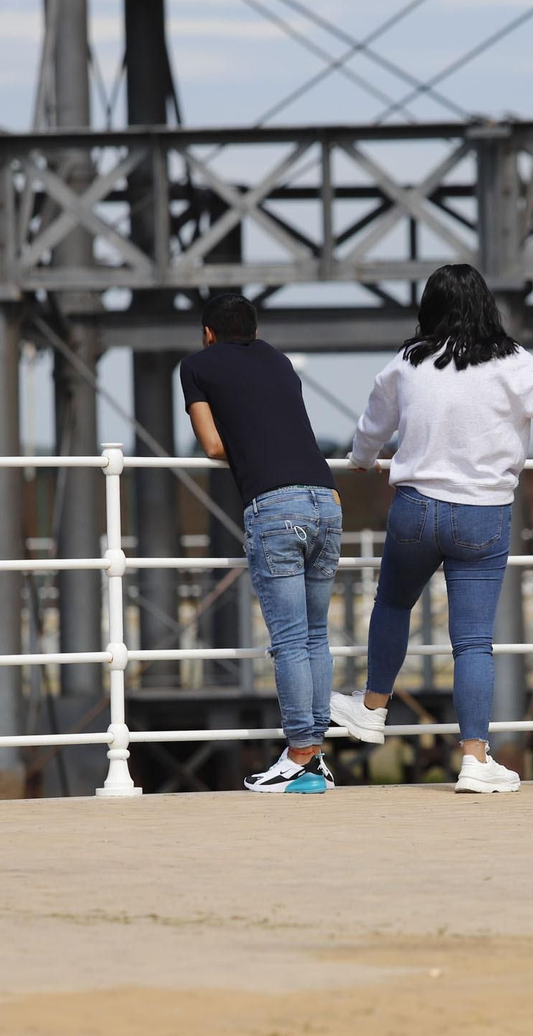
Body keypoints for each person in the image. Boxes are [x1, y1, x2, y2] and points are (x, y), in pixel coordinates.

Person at [331, 263, 533, 794]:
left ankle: (371, 709)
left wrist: (362, 457)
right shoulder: (514, 364)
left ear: (429, 309)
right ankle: (475, 760)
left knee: (391, 604)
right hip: (482, 515)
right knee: (473, 643)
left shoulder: (409, 362)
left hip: (415, 507)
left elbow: (372, 425)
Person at [181, 293, 342, 795]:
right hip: (326, 500)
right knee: (316, 635)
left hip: (276, 507)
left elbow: (211, 444)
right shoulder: (279, 361)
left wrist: (246, 440)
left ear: (208, 332)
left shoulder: (197, 365)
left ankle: (297, 756)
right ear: (253, 328)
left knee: (290, 639)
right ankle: (315, 759)